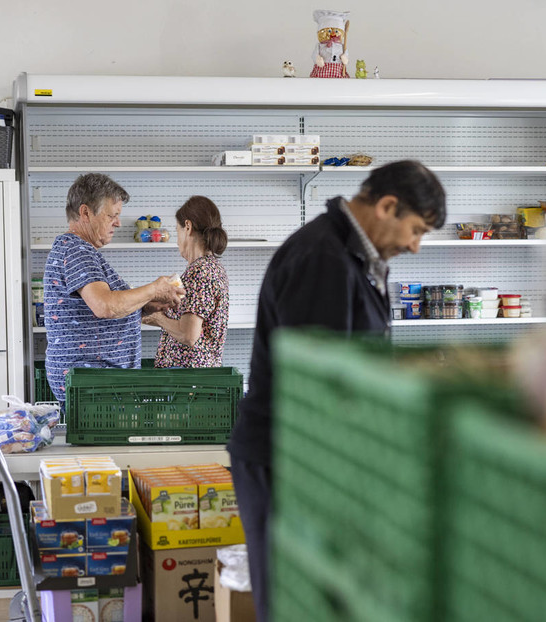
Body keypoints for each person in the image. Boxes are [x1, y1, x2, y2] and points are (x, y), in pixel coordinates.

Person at [228, 160, 446, 621]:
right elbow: (315, 390)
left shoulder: (357, 258)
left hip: (316, 460)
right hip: (286, 461)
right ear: (387, 206)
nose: (415, 246)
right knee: (294, 600)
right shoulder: (322, 259)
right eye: (416, 230)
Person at [43, 173, 185, 402]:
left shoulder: (78, 249)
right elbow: (104, 306)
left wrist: (146, 306)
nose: (118, 223)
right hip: (94, 387)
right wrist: (154, 288)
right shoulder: (77, 250)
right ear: (86, 212)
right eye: (112, 215)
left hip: (98, 385)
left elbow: (102, 310)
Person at [145, 195, 230, 368]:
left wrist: (157, 318)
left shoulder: (201, 272)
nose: (177, 242)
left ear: (188, 227)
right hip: (196, 380)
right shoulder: (212, 268)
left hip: (187, 383)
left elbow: (189, 335)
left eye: (177, 231)